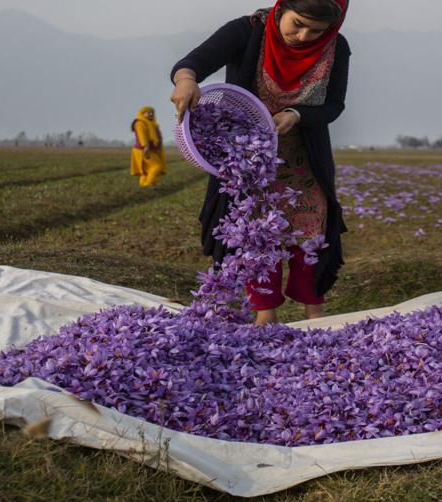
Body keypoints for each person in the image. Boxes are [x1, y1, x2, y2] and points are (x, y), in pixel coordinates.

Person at [171, 0, 350, 325]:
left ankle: (314, 311)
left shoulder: (336, 46)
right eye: (298, 24)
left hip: (304, 159)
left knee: (311, 231)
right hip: (249, 161)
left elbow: (334, 105)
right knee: (255, 232)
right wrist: (186, 80)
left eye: (316, 31)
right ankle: (265, 313)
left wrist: (296, 115)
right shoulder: (248, 30)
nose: (303, 36)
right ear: (282, 8)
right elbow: (193, 63)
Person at [130, 106, 167, 186]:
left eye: (152, 113)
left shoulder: (152, 124)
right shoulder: (139, 123)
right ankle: (148, 185)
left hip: (150, 149)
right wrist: (145, 146)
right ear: (142, 114)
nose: (151, 114)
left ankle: (144, 185)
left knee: (146, 170)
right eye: (148, 112)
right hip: (142, 149)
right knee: (157, 167)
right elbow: (142, 136)